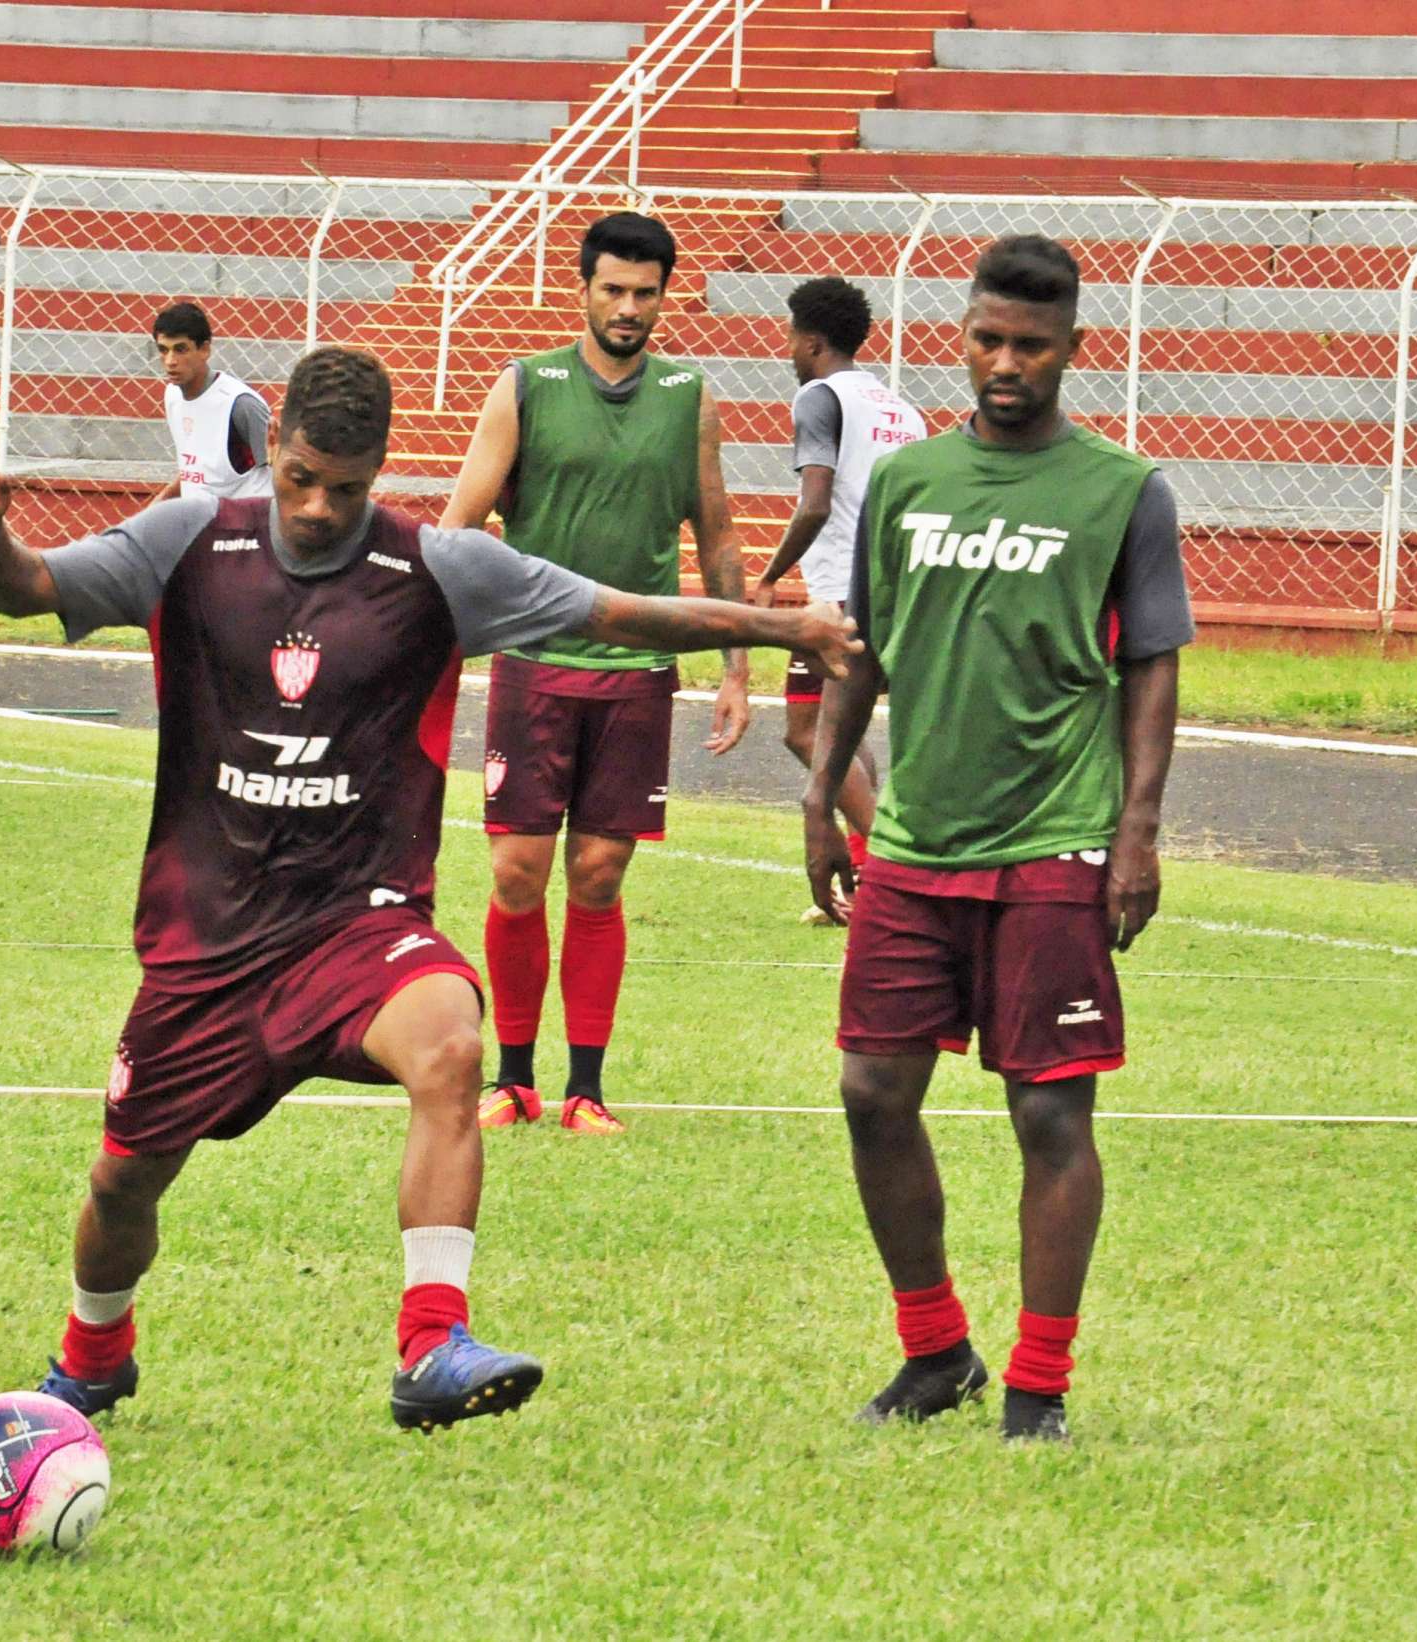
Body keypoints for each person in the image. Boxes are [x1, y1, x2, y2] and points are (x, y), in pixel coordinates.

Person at [0, 347, 855, 1434]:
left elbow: (618, 613)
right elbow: (28, 590)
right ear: (270, 449)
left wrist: (780, 625)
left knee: (450, 1043)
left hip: (356, 927)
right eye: (300, 478)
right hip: (207, 942)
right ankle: (94, 1352)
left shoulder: (438, 568)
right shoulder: (189, 540)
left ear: (382, 474)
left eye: (348, 487)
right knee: (122, 1185)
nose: (319, 507)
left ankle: (431, 1342)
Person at [804, 235, 1193, 1444]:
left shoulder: (1123, 490)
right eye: (986, 339)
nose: (1004, 363)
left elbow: (1150, 666)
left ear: (1075, 349)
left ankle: (1038, 1383)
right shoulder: (910, 484)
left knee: (1047, 1116)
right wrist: (823, 793)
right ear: (960, 339)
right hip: (916, 841)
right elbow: (863, 649)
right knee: (872, 1090)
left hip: (1055, 841)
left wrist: (1136, 832)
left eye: (1030, 344)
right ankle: (935, 1354)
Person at [439, 212, 747, 1136]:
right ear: (582, 288)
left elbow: (719, 531)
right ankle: (515, 1078)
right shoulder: (526, 385)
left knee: (603, 875)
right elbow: (460, 525)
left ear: (665, 297)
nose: (627, 307)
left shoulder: (690, 395)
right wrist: (430, 641)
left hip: (638, 671)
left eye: (645, 293)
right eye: (612, 289)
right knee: (517, 872)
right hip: (536, 664)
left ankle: (586, 1090)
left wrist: (734, 666)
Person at [750, 276, 925, 921]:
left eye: (792, 337)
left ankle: (891, 880)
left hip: (839, 600)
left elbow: (816, 503)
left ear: (813, 341)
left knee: (805, 734)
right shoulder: (902, 410)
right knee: (840, 733)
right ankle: (857, 883)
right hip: (898, 592)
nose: (787, 350)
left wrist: (770, 576)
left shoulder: (819, 399)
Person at [153, 300, 273, 504]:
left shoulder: (241, 405)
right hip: (200, 523)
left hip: (246, 530)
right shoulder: (172, 395)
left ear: (205, 350)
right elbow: (199, 472)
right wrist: (158, 504)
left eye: (181, 349)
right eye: (164, 350)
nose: (170, 361)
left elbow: (279, 473)